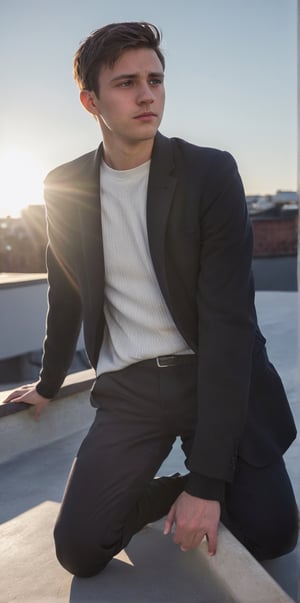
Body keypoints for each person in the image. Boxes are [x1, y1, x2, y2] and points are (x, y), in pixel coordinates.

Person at [4, 21, 298, 578]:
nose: (146, 95)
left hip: (211, 373)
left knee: (275, 531)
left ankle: (207, 482)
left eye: (156, 80)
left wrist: (208, 486)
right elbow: (65, 291)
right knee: (80, 549)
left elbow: (229, 324)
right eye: (127, 83)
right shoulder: (64, 186)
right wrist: (45, 385)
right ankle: (168, 493)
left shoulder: (210, 173)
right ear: (90, 100)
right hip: (130, 390)